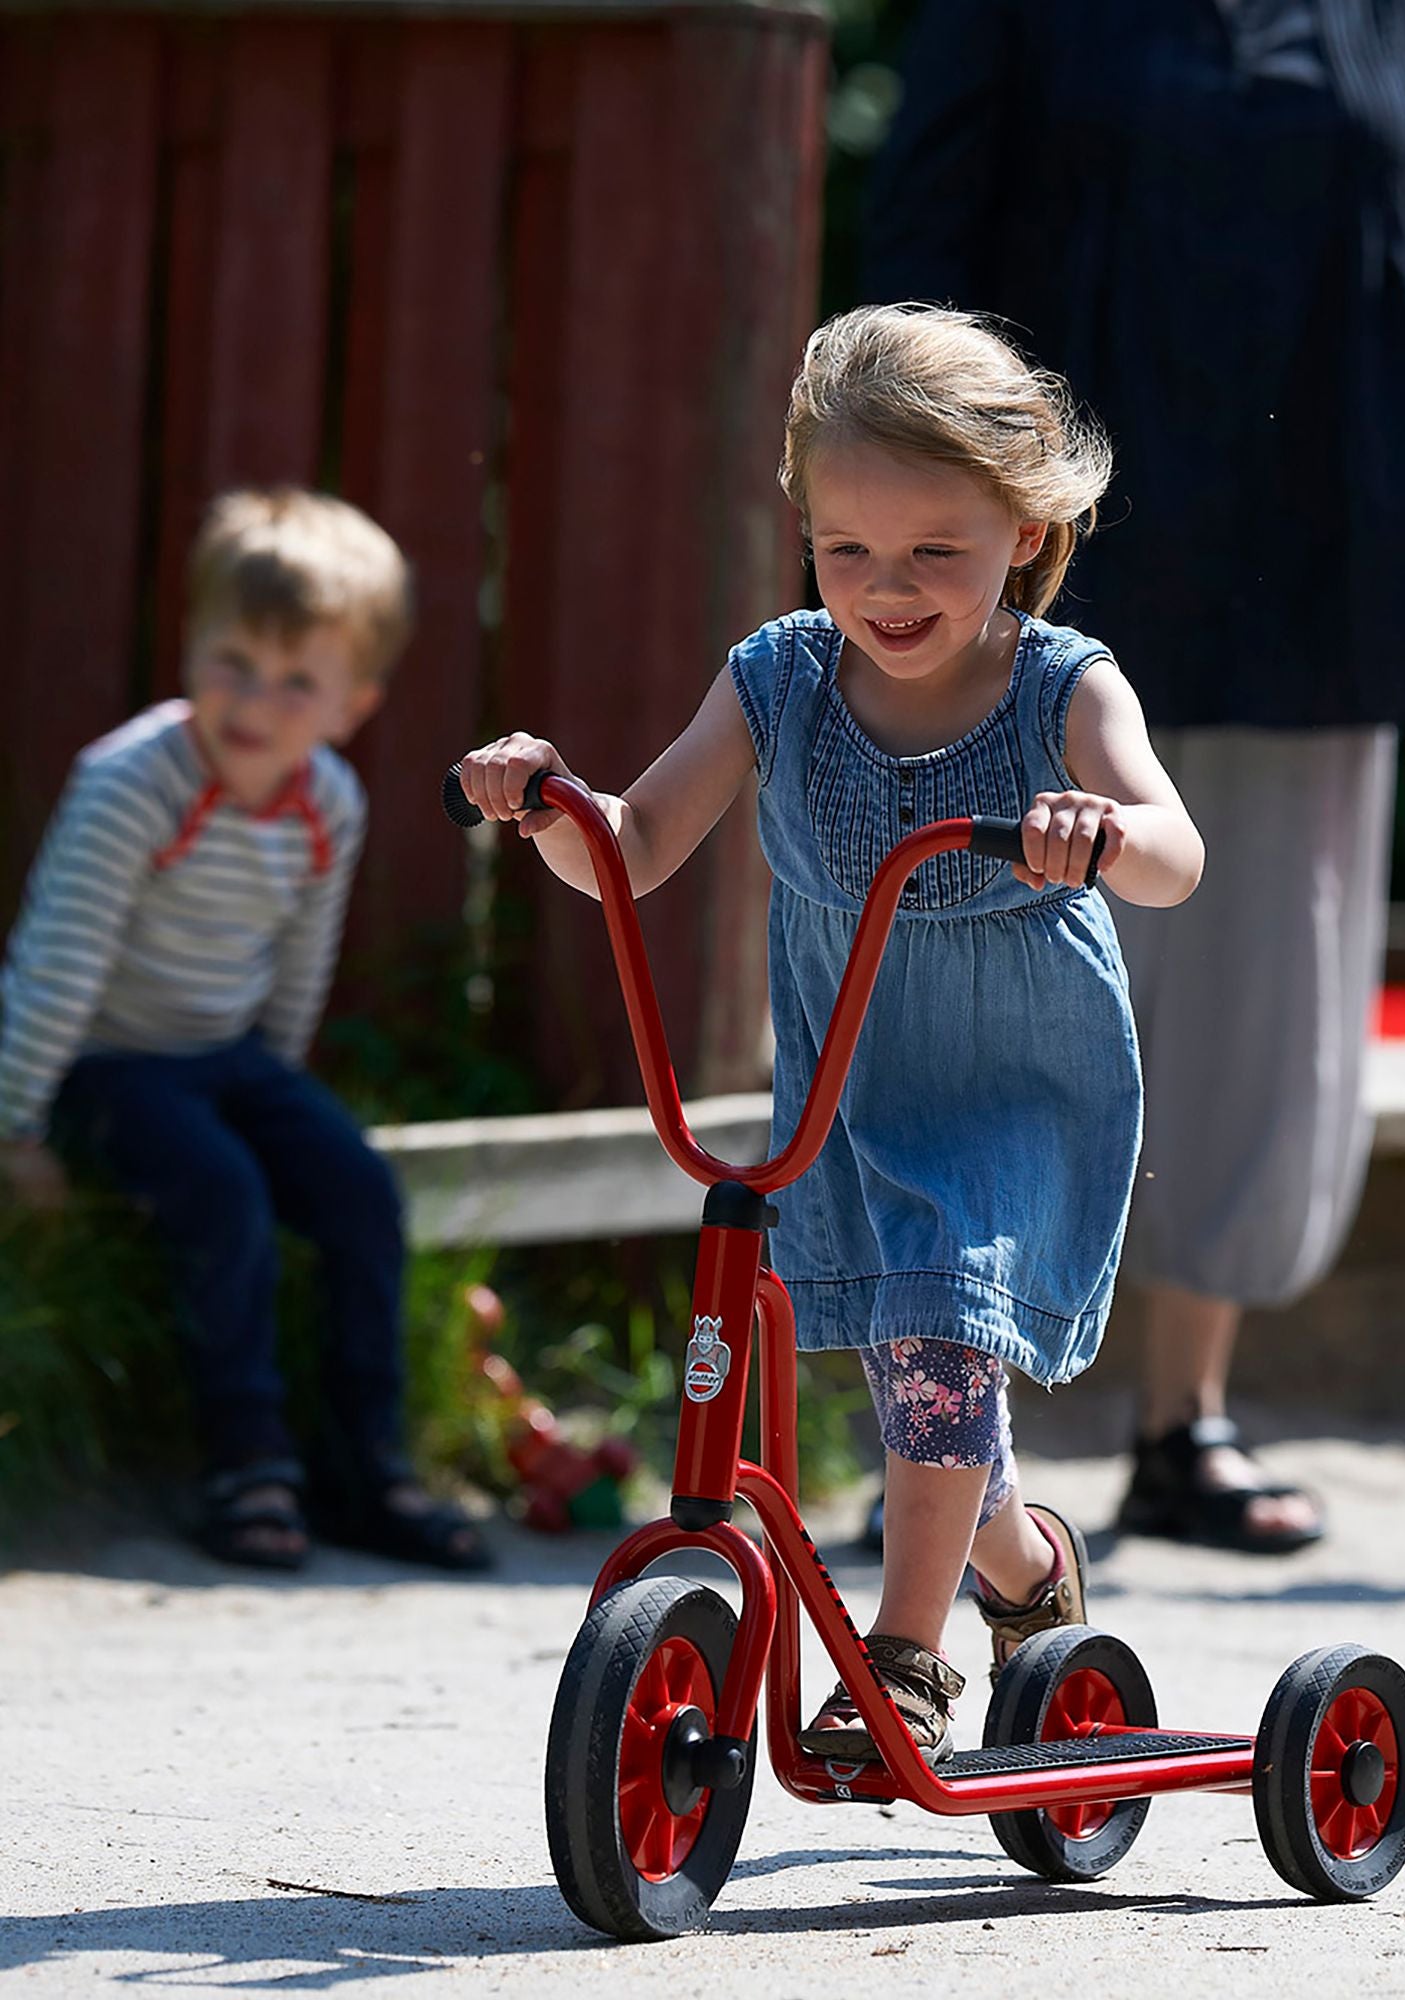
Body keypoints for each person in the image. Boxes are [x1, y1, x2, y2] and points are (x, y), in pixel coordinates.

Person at [458, 305, 1204, 1760]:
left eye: (938, 550)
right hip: (853, 1086)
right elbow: (640, 842)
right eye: (849, 549)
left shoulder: (1064, 687)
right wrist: (549, 798)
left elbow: (1178, 854)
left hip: (1018, 1088)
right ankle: (1026, 1572)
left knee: (938, 1340)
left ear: (1026, 541)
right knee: (927, 1382)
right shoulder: (780, 676)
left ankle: (907, 1658)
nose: (889, 587)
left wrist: (1096, 829)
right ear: (804, 533)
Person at [862, 0, 1405, 1552]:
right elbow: (917, 251)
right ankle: (944, 1451)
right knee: (982, 980)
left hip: (1336, 547)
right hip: (1049, 563)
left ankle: (1187, 1425)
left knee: (1260, 1001)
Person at [0, 488, 488, 1574]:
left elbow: (298, 966)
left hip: (230, 1061)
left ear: (350, 702)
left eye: (295, 680)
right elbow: (59, 958)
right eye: (233, 662)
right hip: (107, 1062)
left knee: (357, 1187)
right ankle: (244, 1456)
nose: (255, 700)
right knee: (222, 1191)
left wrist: (279, 1095)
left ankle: (366, 1459)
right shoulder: (134, 782)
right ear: (191, 645)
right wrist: (16, 1120)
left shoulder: (331, 799)